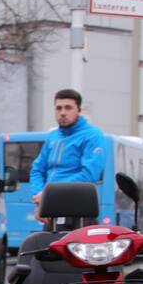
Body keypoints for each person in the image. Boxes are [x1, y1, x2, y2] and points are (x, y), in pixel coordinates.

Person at [30, 89, 108, 223]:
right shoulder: (53, 136)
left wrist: (50, 194)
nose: (63, 113)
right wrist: (40, 199)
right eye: (58, 108)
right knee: (44, 244)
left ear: (79, 110)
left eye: (68, 108)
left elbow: (89, 175)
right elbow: (37, 169)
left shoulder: (93, 135)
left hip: (78, 211)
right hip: (52, 209)